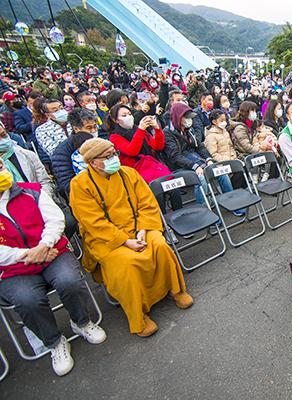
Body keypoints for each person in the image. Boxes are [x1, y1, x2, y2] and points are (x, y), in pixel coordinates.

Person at [70, 138, 193, 338]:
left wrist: (143, 229)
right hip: (107, 239)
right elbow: (92, 222)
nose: (114, 159)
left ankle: (176, 289)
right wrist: (124, 241)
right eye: (107, 157)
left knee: (160, 245)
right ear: (93, 162)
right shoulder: (80, 185)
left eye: (114, 154)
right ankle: (138, 317)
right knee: (126, 262)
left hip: (140, 228)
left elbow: (148, 203)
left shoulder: (129, 173)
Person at [0, 158, 106, 376]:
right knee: (26, 300)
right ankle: (55, 342)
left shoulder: (31, 192)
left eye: (0, 166)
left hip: (52, 252)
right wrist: (28, 254)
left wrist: (44, 245)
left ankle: (82, 322)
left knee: (70, 281)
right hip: (14, 267)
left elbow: (55, 220)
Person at [52, 108, 96, 197]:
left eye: (95, 126)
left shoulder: (101, 142)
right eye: (89, 128)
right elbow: (67, 183)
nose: (94, 131)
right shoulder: (63, 151)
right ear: (76, 129)